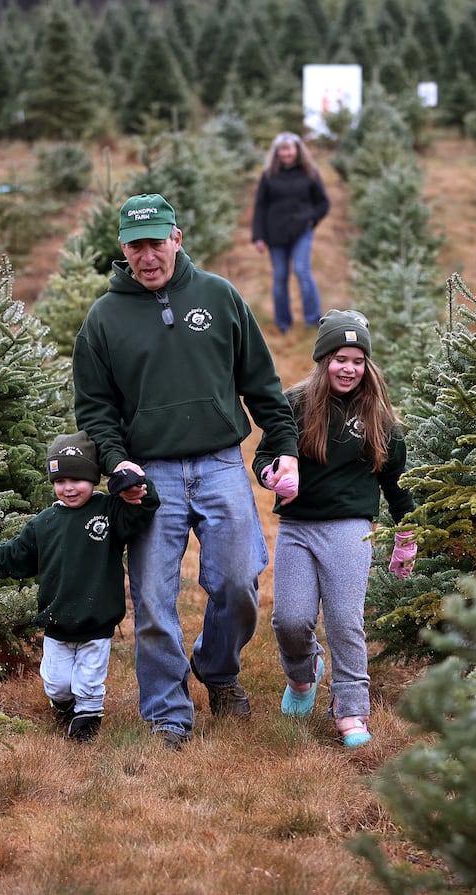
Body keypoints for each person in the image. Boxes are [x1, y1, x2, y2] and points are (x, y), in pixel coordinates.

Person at [72, 192, 301, 750]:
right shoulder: (104, 319)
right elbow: (95, 409)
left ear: (177, 239)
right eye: (136, 246)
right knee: (152, 598)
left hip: (221, 462)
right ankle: (168, 713)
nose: (147, 256)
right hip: (150, 474)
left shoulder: (219, 297)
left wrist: (284, 445)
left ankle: (217, 670)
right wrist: (118, 460)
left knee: (240, 582)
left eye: (157, 243)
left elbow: (262, 385)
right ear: (122, 249)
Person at [253, 309, 414, 748]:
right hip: (297, 529)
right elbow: (263, 456)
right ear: (324, 360)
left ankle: (351, 710)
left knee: (344, 621)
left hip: (349, 528)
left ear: (367, 365)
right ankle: (304, 677)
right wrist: (273, 476)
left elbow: (398, 483)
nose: (349, 368)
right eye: (340, 358)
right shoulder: (296, 405)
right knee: (290, 619)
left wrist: (407, 535)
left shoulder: (379, 415)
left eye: (358, 360)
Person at [0, 431, 158, 742]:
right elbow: (15, 555)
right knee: (57, 685)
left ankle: (88, 717)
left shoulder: (109, 511)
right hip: (56, 620)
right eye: (60, 481)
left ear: (92, 478)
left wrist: (136, 484)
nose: (69, 488)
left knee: (88, 682)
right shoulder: (44, 523)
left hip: (96, 621)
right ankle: (65, 706)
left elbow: (143, 507)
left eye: (77, 479)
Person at [251, 132, 330, 334]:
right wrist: (258, 236)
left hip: (301, 230)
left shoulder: (309, 172)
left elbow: (323, 202)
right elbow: (260, 206)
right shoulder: (269, 175)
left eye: (289, 149)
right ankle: (283, 323)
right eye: (282, 149)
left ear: (297, 150)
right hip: (275, 233)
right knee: (280, 276)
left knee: (302, 270)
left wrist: (312, 220)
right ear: (277, 152)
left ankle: (313, 320)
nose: (286, 153)